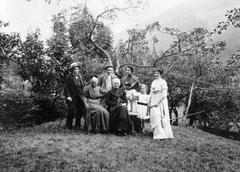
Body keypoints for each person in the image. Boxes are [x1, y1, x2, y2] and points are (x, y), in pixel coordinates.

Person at [148, 68, 174, 140]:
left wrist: (158, 102)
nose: (156, 74)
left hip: (161, 101)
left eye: (157, 73)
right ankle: (156, 134)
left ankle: (162, 134)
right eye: (155, 73)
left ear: (160, 74)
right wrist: (149, 101)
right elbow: (151, 92)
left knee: (160, 116)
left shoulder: (163, 82)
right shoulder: (153, 82)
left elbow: (164, 94)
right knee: (154, 116)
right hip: (153, 99)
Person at [64, 62, 88, 130]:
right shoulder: (68, 77)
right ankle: (68, 126)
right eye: (75, 69)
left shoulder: (80, 76)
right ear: (72, 70)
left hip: (80, 96)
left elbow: (84, 85)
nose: (76, 70)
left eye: (77, 69)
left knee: (79, 111)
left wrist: (85, 94)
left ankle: (78, 125)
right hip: (72, 96)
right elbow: (66, 87)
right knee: (71, 110)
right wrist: (68, 96)